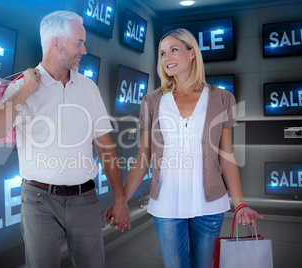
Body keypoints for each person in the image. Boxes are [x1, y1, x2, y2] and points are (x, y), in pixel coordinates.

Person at [104, 28, 263, 268]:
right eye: (162, 53)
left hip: (209, 206)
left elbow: (226, 156)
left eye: (174, 50)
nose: (167, 58)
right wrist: (121, 200)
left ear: (192, 54)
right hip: (166, 205)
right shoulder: (152, 101)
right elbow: (143, 159)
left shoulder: (222, 99)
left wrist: (239, 203)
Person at [0, 10, 130, 268]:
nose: (84, 50)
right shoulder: (21, 87)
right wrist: (28, 89)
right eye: (79, 43)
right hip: (38, 202)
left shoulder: (88, 87)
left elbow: (105, 146)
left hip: (85, 199)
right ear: (56, 43)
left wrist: (119, 199)